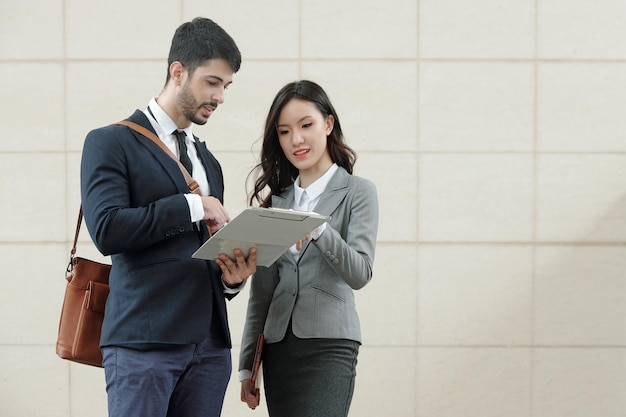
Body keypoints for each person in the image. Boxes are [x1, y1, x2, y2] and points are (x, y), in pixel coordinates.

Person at [80, 17, 256, 417]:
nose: (221, 96)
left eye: (226, 86)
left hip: (210, 349)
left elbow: (205, 251)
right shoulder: (110, 142)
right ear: (179, 72)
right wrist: (194, 205)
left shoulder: (207, 160)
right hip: (144, 343)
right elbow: (107, 229)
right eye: (213, 82)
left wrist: (231, 281)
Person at [238, 80, 379, 417]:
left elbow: (360, 272)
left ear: (328, 124)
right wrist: (247, 363)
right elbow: (263, 290)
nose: (296, 140)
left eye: (306, 126)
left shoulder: (358, 192)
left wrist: (318, 228)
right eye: (284, 132)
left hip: (330, 345)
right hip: (278, 348)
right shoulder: (277, 201)